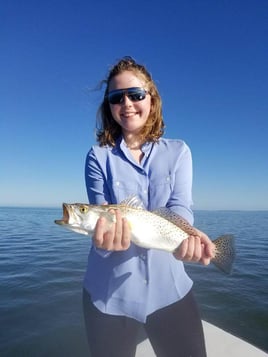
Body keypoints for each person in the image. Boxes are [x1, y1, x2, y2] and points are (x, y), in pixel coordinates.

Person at [83, 56, 215, 357]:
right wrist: (103, 243)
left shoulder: (179, 152)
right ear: (109, 106)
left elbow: (180, 205)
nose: (127, 103)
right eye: (117, 97)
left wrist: (187, 237)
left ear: (151, 99)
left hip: (170, 292)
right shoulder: (97, 157)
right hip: (109, 297)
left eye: (136, 94)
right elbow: (99, 213)